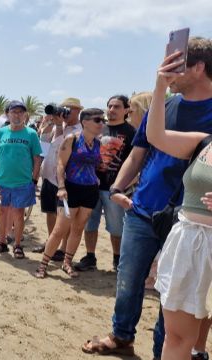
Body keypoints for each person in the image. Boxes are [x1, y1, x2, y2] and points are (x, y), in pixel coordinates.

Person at [82, 36, 212, 359]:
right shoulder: (165, 106)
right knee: (128, 279)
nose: (166, 70)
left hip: (189, 221)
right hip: (142, 208)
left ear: (197, 68)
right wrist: (116, 189)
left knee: (171, 294)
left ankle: (163, 351)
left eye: (174, 65)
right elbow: (139, 153)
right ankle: (121, 335)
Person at [145, 45, 212, 360]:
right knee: (177, 338)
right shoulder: (204, 141)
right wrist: (160, 86)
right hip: (189, 244)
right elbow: (156, 136)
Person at [34, 108, 104, 278]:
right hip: (71, 189)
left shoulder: (97, 143)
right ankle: (43, 265)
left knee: (78, 229)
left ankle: (67, 263)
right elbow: (60, 164)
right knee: (59, 230)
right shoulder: (72, 139)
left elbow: (96, 164)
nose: (101, 124)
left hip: (90, 190)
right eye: (97, 120)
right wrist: (61, 187)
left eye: (103, 120)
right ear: (85, 122)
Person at [77, 95, 136, 272]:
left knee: (117, 227)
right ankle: (90, 256)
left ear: (126, 110)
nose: (111, 110)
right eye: (109, 106)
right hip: (92, 186)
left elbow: (136, 161)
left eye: (116, 107)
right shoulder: (98, 128)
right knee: (89, 223)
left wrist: (124, 185)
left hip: (115, 189)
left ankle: (117, 259)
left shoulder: (132, 132)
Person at [0, 100, 42, 259]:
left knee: (18, 215)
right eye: (14, 112)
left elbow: (37, 159)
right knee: (1, 213)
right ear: (8, 114)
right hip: (1, 181)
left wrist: (34, 180)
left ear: (26, 115)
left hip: (22, 182)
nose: (17, 115)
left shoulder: (31, 134)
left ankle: (18, 245)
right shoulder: (1, 132)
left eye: (21, 112)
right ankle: (2, 242)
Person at [33, 98, 83, 261]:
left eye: (69, 109)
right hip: (48, 176)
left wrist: (61, 126)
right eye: (63, 108)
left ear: (78, 111)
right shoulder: (57, 127)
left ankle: (62, 248)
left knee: (64, 215)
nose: (65, 112)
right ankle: (51, 243)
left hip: (65, 180)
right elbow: (44, 140)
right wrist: (50, 121)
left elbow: (67, 144)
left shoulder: (80, 129)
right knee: (50, 212)